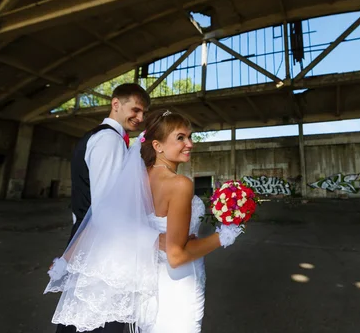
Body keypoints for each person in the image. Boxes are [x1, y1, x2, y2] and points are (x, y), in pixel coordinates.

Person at [52, 83, 150, 333]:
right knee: (99, 320)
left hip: (90, 238)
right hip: (100, 246)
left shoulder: (102, 137)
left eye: (143, 113)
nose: (140, 118)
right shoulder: (109, 140)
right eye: (136, 110)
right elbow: (108, 209)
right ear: (116, 104)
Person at [141, 109, 244, 333]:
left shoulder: (140, 177)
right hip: (179, 283)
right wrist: (224, 236)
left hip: (148, 281)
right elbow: (176, 256)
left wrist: (157, 238)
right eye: (180, 138)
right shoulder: (179, 184)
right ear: (157, 146)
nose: (190, 144)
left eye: (190, 137)